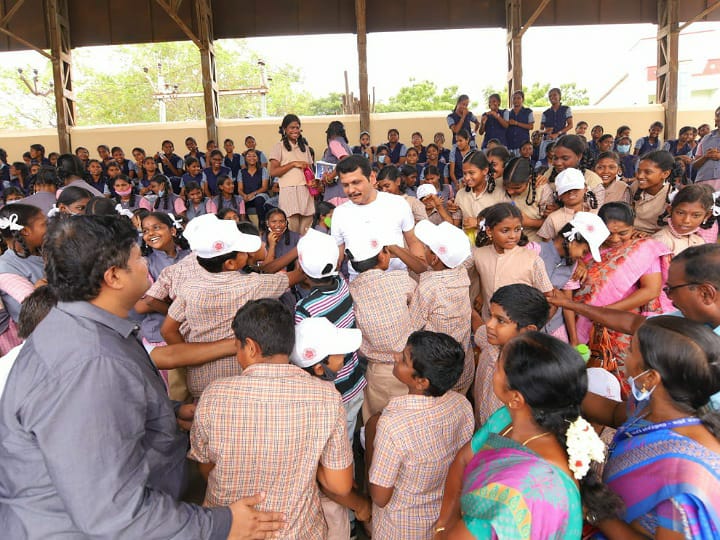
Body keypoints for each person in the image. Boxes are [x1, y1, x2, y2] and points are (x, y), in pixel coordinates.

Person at [0, 214, 285, 539]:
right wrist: (221, 524)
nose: (145, 265)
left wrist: (170, 411)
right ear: (114, 277)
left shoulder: (85, 329)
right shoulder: (91, 364)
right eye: (137, 258)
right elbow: (114, 511)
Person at [188, 298, 353, 538]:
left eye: (237, 347)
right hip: (296, 531)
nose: (238, 354)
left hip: (228, 529)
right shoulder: (326, 397)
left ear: (251, 347)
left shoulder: (214, 394)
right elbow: (340, 485)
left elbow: (205, 467)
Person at [435, 332, 618, 539]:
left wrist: (443, 532)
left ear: (516, 398)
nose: (493, 367)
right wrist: (443, 524)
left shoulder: (525, 487)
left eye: (498, 366)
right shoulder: (508, 419)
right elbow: (463, 459)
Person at [582, 316, 720, 539]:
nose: (625, 354)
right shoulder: (653, 407)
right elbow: (612, 412)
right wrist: (559, 385)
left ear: (650, 378)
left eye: (631, 350)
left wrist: (593, 511)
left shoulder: (687, 484)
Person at [160, 214, 304, 398]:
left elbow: (168, 330)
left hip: (201, 380)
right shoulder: (252, 285)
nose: (248, 254)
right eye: (243, 252)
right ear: (230, 263)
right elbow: (294, 277)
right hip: (239, 377)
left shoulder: (189, 287)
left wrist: (191, 358)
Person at [367, 331, 474, 540]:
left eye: (405, 360)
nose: (397, 357)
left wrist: (371, 447)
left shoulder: (393, 425)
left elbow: (380, 497)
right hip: (444, 516)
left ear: (421, 382)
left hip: (400, 527)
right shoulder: (462, 405)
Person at [291, 316, 371, 537]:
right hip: (323, 505)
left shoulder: (291, 388)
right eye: (339, 356)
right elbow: (332, 484)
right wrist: (360, 505)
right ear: (319, 368)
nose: (344, 360)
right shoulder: (327, 400)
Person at [573, 202, 671, 368]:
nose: (615, 239)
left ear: (633, 228)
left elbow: (651, 290)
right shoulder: (588, 244)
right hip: (581, 316)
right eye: (608, 233)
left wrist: (605, 312)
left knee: (619, 367)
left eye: (623, 233)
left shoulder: (644, 249)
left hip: (621, 319)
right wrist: (578, 263)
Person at [390, 219, 474, 393]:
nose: (424, 251)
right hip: (462, 367)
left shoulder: (429, 288)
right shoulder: (460, 274)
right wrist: (397, 249)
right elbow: (425, 270)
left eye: (427, 248)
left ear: (435, 258)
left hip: (435, 371)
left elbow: (412, 325)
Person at [345, 229, 416, 420]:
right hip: (409, 367)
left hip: (376, 373)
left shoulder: (352, 290)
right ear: (382, 257)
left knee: (375, 425)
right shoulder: (400, 279)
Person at [331, 155, 424, 280]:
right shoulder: (339, 213)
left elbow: (413, 242)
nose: (351, 190)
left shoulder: (398, 204)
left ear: (372, 178)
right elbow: (338, 256)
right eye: (345, 185)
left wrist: (419, 265)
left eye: (356, 182)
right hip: (360, 288)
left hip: (398, 284)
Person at [472, 284, 550, 426]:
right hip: (480, 426)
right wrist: (471, 312)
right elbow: (479, 329)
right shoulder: (491, 340)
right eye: (490, 315)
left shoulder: (530, 378)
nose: (489, 324)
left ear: (528, 330)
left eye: (500, 320)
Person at [532, 212, 610, 345]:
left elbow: (567, 303)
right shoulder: (534, 251)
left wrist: (573, 340)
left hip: (555, 327)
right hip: (529, 326)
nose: (582, 257)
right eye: (584, 252)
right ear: (572, 240)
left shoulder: (572, 266)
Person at [473, 202, 553, 322]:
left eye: (517, 229)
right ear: (489, 231)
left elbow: (548, 297)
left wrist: (533, 326)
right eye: (505, 231)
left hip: (519, 329)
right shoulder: (478, 255)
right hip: (489, 325)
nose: (513, 236)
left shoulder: (532, 259)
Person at [269, 114, 315, 234]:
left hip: (305, 191)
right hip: (289, 192)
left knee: (306, 231)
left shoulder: (305, 148)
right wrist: (293, 164)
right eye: (291, 127)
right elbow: (273, 171)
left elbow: (310, 170)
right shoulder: (278, 147)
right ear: (284, 129)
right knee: (291, 230)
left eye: (297, 127)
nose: (295, 130)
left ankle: (303, 252)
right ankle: (292, 253)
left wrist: (314, 182)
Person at [454, 150, 504, 242]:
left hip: (492, 249)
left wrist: (479, 223)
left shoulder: (498, 194)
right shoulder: (461, 195)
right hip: (468, 250)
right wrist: (439, 206)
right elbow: (454, 223)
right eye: (464, 173)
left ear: (485, 170)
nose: (467, 178)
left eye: (471, 173)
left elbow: (506, 223)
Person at [537, 167, 599, 241]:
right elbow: (548, 248)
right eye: (566, 190)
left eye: (575, 188)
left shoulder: (596, 214)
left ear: (585, 188)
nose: (571, 192)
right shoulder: (553, 219)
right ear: (559, 195)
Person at [653, 183, 713, 256]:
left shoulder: (700, 241)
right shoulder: (661, 240)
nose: (686, 220)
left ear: (707, 215)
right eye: (680, 213)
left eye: (696, 215)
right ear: (670, 210)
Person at [498, 156, 544, 241]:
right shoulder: (497, 184)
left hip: (533, 245)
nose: (510, 191)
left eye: (517, 188)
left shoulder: (541, 190)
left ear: (529, 179)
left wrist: (530, 222)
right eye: (506, 186)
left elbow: (551, 224)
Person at [630, 149, 674, 235]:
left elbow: (670, 228)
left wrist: (647, 235)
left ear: (665, 174)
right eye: (639, 171)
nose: (640, 176)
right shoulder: (635, 186)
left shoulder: (671, 196)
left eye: (647, 172)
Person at [237, 149, 270, 224]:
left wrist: (253, 194)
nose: (252, 158)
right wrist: (244, 195)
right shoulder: (241, 172)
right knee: (239, 201)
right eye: (249, 156)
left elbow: (264, 187)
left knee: (259, 200)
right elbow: (240, 189)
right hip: (247, 196)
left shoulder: (263, 170)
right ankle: (248, 224)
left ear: (257, 158)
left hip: (260, 195)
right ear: (245, 158)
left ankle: (262, 224)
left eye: (254, 156)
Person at [692, 105, 720, 190]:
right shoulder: (706, 138)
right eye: (718, 115)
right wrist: (706, 156)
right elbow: (695, 164)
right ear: (715, 120)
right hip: (704, 182)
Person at [504, 90, 535, 154]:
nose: (516, 100)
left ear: (522, 99)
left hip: (523, 145)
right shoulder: (508, 113)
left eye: (518, 98)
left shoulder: (528, 112)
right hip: (510, 145)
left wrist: (516, 123)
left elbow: (531, 126)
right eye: (514, 98)